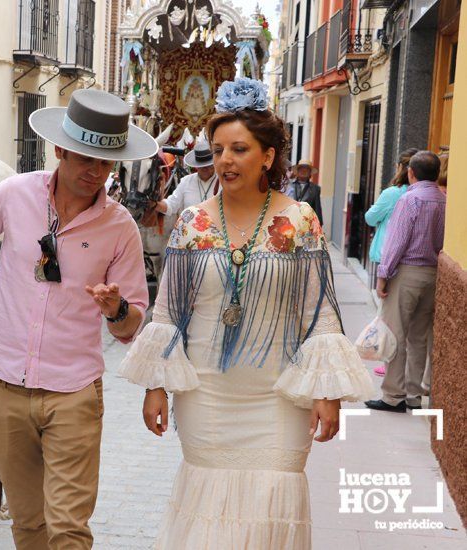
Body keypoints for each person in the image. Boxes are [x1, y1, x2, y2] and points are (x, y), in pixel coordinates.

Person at [120, 78, 373, 549]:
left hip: (278, 395)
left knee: (271, 504)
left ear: (268, 156)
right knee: (208, 515)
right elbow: (168, 312)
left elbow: (317, 312)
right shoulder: (192, 224)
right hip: (207, 394)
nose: (225, 161)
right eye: (218, 150)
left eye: (239, 148)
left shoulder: (299, 220)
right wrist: (157, 385)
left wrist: (327, 391)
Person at [0, 89, 154, 549]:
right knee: (28, 525)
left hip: (74, 394)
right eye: (86, 159)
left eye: (106, 164)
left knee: (68, 528)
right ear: (60, 150)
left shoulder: (120, 227)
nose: (96, 173)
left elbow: (133, 328)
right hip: (4, 385)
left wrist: (117, 310)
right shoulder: (15, 194)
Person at [366, 151, 446, 413]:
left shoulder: (409, 199)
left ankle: (393, 395)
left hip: (407, 272)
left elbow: (396, 242)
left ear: (411, 172)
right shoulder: (443, 200)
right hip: (433, 274)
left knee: (395, 333)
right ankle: (413, 393)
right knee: (419, 336)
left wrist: (383, 276)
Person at [364, 147, 418, 376]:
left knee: (389, 317)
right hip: (413, 262)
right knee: (410, 321)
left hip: (389, 258)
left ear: (401, 168)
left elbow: (370, 218)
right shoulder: (421, 193)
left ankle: (390, 365)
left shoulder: (393, 194)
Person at [152, 140, 218, 218]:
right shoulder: (186, 182)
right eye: (202, 167)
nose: (206, 169)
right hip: (191, 229)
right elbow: (171, 206)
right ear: (196, 166)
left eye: (210, 166)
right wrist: (154, 204)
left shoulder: (223, 182)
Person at [285, 158, 324, 225]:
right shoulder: (289, 186)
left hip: (306, 224)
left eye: (307, 169)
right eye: (301, 169)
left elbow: (317, 209)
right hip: (290, 222)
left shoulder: (315, 189)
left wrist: (318, 225)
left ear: (310, 173)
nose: (304, 171)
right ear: (297, 171)